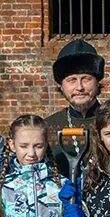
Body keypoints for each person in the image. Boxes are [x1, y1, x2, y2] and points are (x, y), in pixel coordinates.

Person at [44, 39, 105, 179]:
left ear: (97, 82)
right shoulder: (47, 126)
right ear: (61, 86)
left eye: (86, 79)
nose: (79, 87)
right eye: (72, 80)